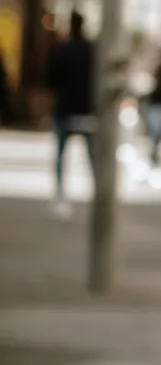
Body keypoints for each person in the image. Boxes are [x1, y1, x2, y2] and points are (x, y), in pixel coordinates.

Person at [44, 12, 96, 219]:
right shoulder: (93, 51)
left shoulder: (62, 51)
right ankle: (96, 195)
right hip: (87, 111)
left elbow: (50, 81)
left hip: (65, 110)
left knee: (60, 156)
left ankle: (60, 196)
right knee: (92, 157)